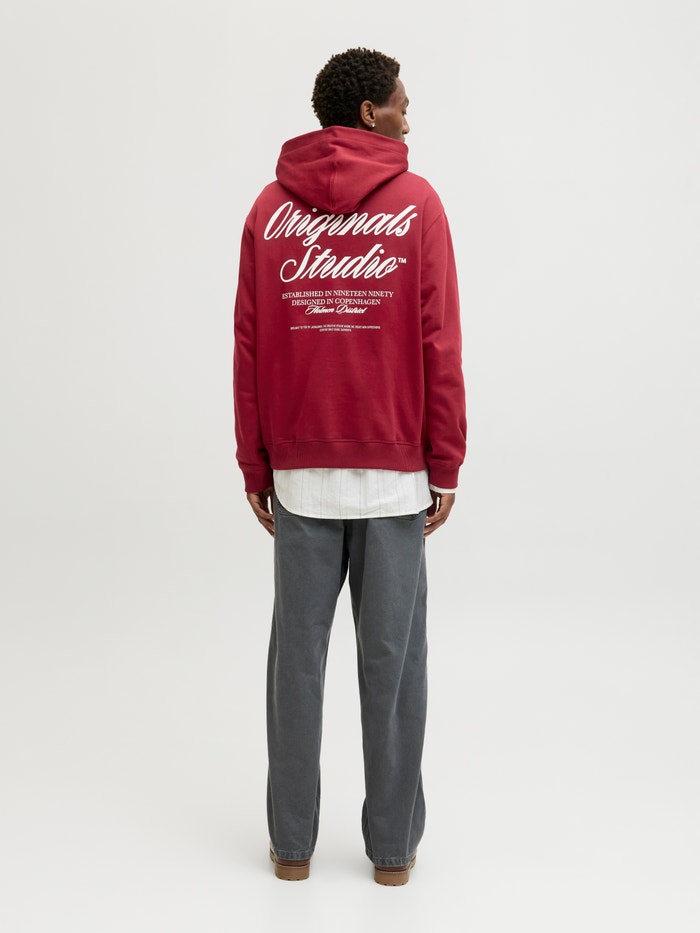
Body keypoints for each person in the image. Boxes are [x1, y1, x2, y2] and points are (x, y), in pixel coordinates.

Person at [232, 47, 467, 886]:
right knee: (393, 670)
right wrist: (446, 459)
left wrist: (255, 460)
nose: (409, 115)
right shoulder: (418, 204)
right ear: (370, 112)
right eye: (401, 102)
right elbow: (440, 340)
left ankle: (291, 848)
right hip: (396, 476)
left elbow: (249, 345)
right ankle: (392, 855)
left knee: (295, 668)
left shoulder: (270, 210)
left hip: (300, 474)